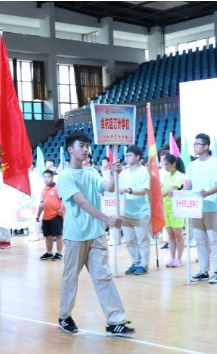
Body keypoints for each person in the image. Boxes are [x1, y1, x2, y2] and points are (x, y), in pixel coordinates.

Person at [57, 132, 134, 336]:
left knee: (104, 277)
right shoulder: (65, 176)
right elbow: (81, 202)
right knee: (70, 278)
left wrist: (114, 174)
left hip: (96, 235)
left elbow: (108, 187)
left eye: (87, 146)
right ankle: (64, 316)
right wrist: (106, 219)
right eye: (81, 146)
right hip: (75, 236)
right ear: (70, 150)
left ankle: (114, 321)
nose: (85, 149)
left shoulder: (91, 171)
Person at [185, 133, 217, 284]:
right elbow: (188, 185)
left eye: (197, 144)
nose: (194, 147)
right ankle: (203, 270)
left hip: (211, 206)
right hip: (195, 208)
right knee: (200, 240)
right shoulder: (191, 165)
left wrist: (208, 193)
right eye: (194, 144)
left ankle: (216, 271)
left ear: (206, 146)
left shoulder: (215, 163)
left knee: (214, 239)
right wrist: (179, 193)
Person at [119, 145, 151, 276]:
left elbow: (143, 191)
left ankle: (143, 264)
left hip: (140, 212)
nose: (127, 158)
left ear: (138, 157)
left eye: (130, 155)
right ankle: (135, 262)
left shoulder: (144, 172)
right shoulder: (123, 173)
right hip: (126, 212)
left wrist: (129, 190)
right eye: (126, 156)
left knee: (142, 240)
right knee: (130, 240)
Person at [161, 155, 186, 267]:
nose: (165, 166)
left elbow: (172, 189)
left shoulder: (179, 176)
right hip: (165, 208)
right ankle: (172, 258)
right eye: (164, 164)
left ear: (173, 164)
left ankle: (179, 259)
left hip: (176, 209)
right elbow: (161, 187)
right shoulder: (166, 176)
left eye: (167, 164)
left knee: (178, 235)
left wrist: (159, 196)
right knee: (170, 235)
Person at [36, 170, 64, 261]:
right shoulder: (43, 191)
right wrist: (38, 215)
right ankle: (49, 252)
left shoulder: (57, 188)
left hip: (56, 215)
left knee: (58, 235)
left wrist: (61, 209)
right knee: (47, 236)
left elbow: (64, 199)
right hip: (46, 216)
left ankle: (59, 253)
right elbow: (41, 204)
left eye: (48, 177)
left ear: (52, 177)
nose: (46, 179)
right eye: (45, 177)